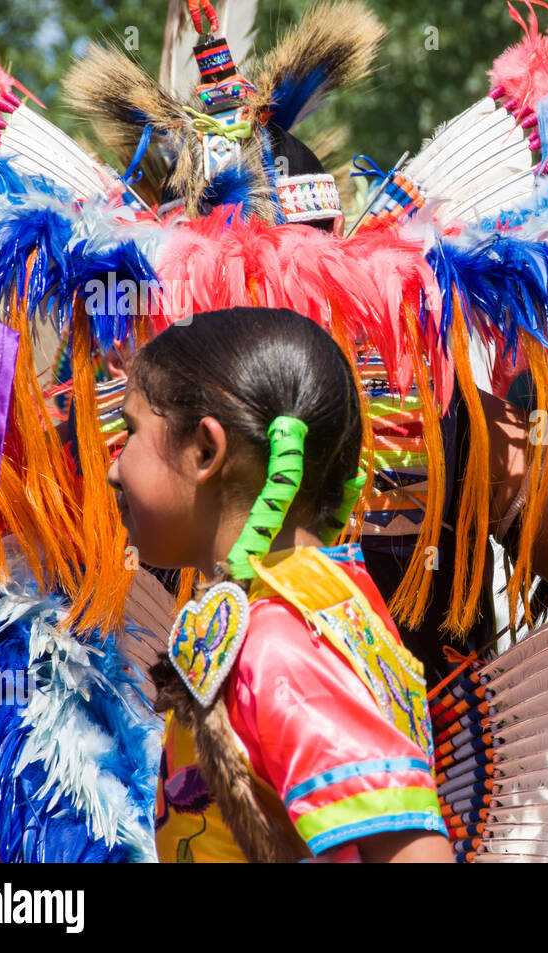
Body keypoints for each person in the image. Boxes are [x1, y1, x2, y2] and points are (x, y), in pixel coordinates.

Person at [107, 306, 452, 862]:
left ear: (205, 451)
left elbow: (414, 851)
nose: (113, 469)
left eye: (130, 431)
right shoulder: (320, 596)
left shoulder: (279, 642)